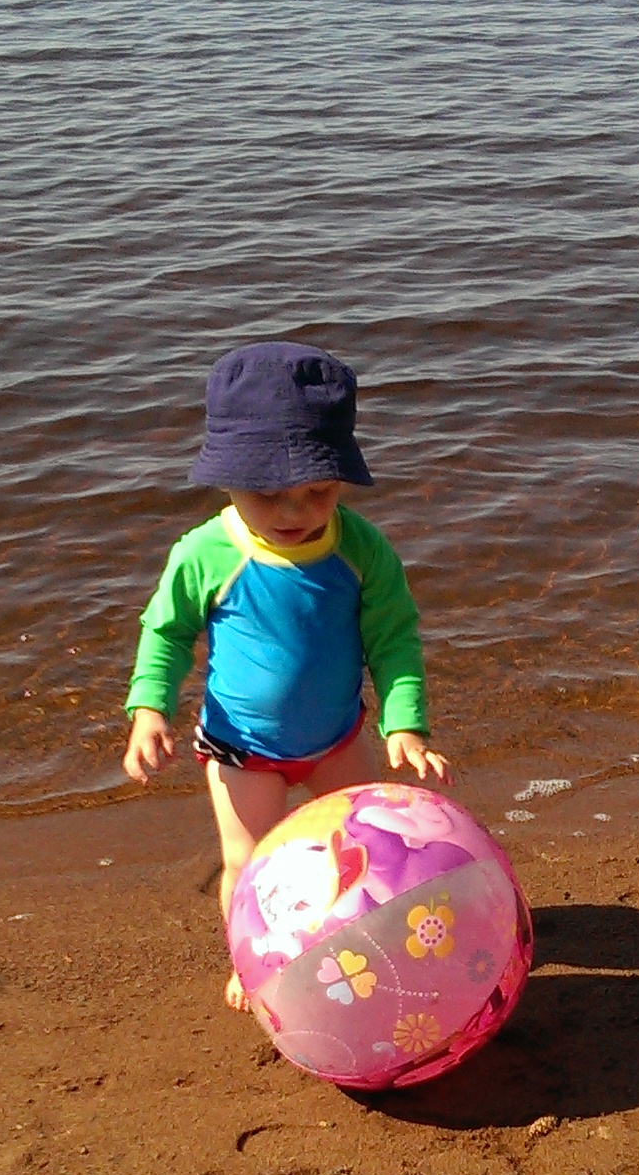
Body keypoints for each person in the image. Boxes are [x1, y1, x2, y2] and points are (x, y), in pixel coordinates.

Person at [123, 341, 450, 1007]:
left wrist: (405, 725)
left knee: (365, 846)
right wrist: (150, 708)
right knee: (249, 863)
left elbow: (393, 640)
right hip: (242, 749)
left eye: (318, 492)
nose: (294, 513)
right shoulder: (205, 554)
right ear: (227, 479)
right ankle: (253, 959)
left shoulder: (361, 550)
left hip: (337, 739)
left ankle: (359, 936)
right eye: (268, 494)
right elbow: (166, 632)